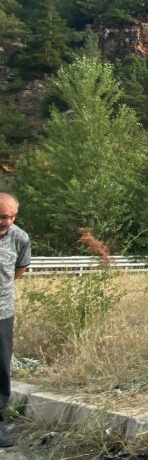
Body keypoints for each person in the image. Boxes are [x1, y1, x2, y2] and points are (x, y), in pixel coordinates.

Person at [0, 192, 29, 447]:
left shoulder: (19, 237)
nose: (7, 222)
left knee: (1, 368)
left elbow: (19, 271)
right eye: (2, 217)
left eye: (12, 216)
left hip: (2, 311)